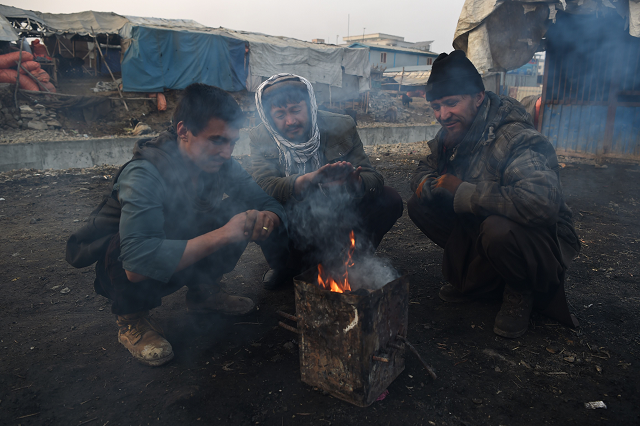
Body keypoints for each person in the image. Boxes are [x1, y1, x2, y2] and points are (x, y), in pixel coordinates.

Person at [66, 83, 287, 366]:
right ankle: (132, 320)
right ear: (184, 131)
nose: (227, 152)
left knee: (242, 212)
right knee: (127, 244)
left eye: (232, 142)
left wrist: (267, 219)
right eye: (217, 140)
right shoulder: (144, 173)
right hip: (126, 269)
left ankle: (204, 293)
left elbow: (267, 203)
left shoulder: (222, 165)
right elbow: (137, 265)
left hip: (178, 251)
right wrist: (226, 233)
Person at [407, 51, 580, 338]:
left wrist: (463, 191)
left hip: (541, 242)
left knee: (498, 229)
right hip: (488, 228)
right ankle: (478, 281)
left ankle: (520, 290)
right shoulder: (453, 134)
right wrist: (429, 184)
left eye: (451, 103)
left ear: (478, 97)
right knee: (420, 204)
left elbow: (541, 202)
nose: (442, 115)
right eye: (436, 107)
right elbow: (423, 168)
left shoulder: (514, 136)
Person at [249, 73, 403, 288]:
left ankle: (352, 261)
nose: (290, 121)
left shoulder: (341, 126)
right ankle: (285, 267)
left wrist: (354, 184)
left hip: (338, 215)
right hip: (293, 223)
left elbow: (373, 176)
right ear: (268, 116)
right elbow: (265, 184)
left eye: (296, 110)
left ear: (310, 105)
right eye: (280, 114)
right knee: (257, 207)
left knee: (389, 198)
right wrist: (307, 180)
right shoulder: (260, 137)